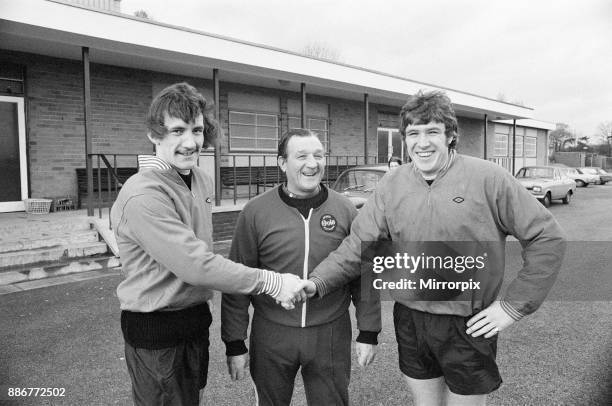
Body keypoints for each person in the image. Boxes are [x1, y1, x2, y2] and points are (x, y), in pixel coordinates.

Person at [304, 90, 566, 405]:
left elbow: (546, 237)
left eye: (432, 132)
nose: (422, 142)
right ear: (404, 138)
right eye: (413, 133)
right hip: (411, 319)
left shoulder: (488, 178)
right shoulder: (391, 184)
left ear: (450, 136)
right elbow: (358, 246)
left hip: (468, 322)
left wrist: (513, 306)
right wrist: (316, 281)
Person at [111, 83, 307, 406]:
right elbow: (197, 264)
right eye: (177, 131)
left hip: (193, 324)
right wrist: (272, 282)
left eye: (197, 130)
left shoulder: (200, 178)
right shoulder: (143, 194)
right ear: (154, 135)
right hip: (156, 335)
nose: (190, 142)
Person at [221, 129, 381, 406]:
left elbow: (364, 272)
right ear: (282, 163)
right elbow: (238, 278)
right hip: (272, 332)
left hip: (329, 332)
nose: (312, 163)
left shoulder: (345, 209)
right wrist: (235, 342)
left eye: (318, 155)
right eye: (302, 156)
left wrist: (368, 332)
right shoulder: (256, 211)